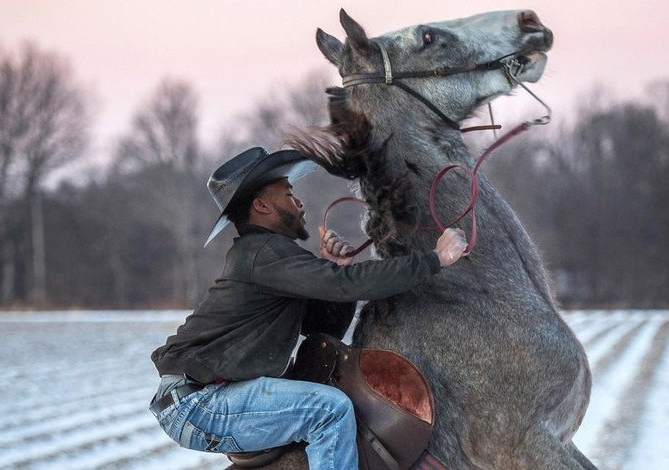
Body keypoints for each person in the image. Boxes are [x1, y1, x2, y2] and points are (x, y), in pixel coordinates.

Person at [149, 147, 468, 469]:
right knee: (330, 410)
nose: (299, 203)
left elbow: (323, 326)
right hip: (199, 403)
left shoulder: (270, 257)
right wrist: (435, 259)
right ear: (261, 206)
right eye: (288, 194)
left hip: (202, 399)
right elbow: (347, 283)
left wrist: (336, 266)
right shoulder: (263, 252)